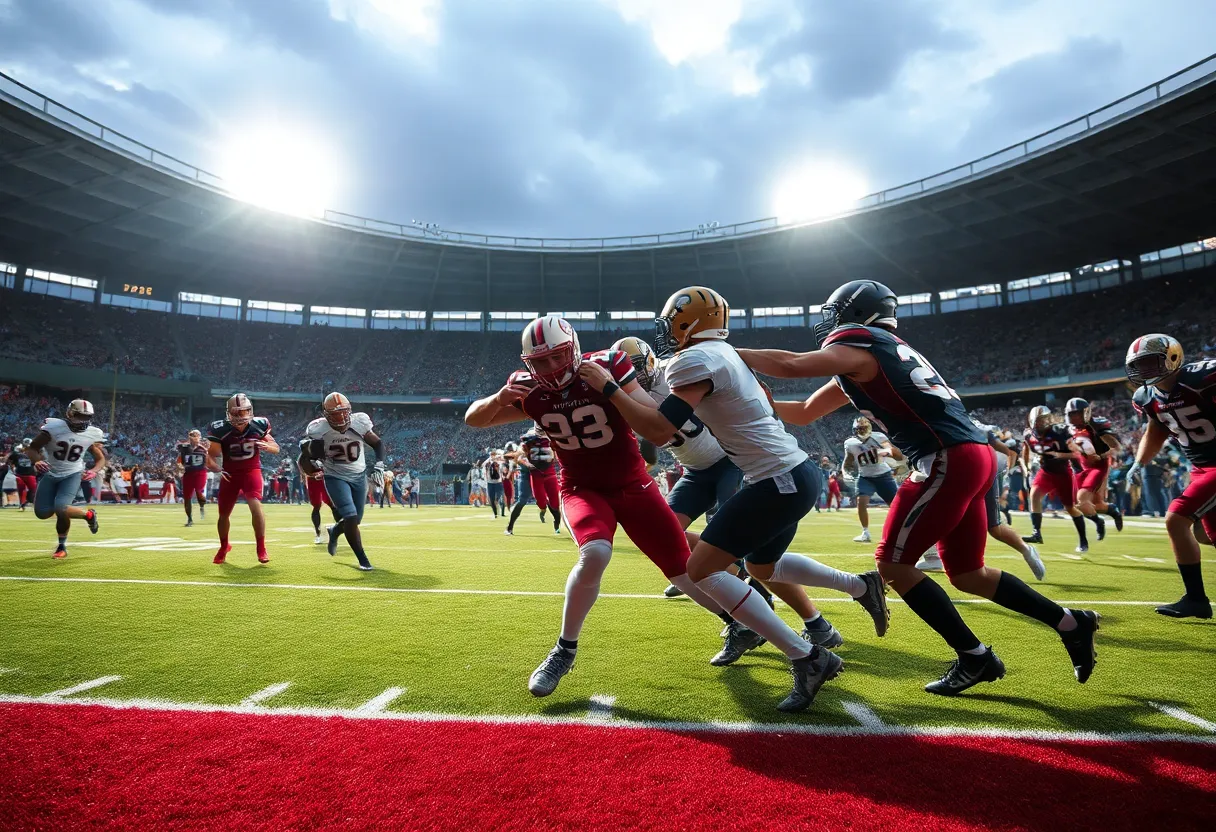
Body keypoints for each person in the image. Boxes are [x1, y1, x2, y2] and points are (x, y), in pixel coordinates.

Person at [739, 279, 1100, 695]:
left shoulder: (864, 342)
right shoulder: (877, 356)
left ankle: (974, 657)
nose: (831, 324)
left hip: (945, 456)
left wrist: (730, 355)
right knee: (968, 574)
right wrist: (756, 403)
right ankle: (1071, 622)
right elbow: (803, 413)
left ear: (857, 314)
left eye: (836, 315)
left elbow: (789, 365)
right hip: (970, 455)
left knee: (892, 564)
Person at [583, 292, 890, 711]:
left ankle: (807, 655)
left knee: (702, 568)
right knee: (761, 567)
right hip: (789, 472)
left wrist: (610, 388)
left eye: (672, 320)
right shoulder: (718, 352)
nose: (667, 329)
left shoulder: (692, 362)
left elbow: (658, 429)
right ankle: (858, 586)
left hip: (774, 477)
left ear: (688, 322)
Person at [465, 315, 754, 702]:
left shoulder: (608, 366)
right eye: (541, 361)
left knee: (685, 570)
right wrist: (501, 397)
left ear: (574, 349)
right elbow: (475, 420)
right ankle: (564, 651)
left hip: (634, 484)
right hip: (582, 488)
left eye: (557, 357)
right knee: (596, 552)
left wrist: (613, 388)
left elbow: (656, 417)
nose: (550, 369)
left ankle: (739, 623)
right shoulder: (529, 389)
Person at [1126, 334, 1215, 619]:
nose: (1147, 370)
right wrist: (1138, 463)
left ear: (1173, 357)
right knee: (1207, 536)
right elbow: (1157, 430)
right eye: (1141, 365)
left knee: (1176, 518)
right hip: (1200, 467)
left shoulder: (1204, 379)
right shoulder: (1146, 397)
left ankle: (1196, 599)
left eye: (1152, 362)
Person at [923, 418, 1047, 581]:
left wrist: (1004, 475)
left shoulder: (961, 423)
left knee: (993, 527)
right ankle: (933, 556)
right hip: (965, 471)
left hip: (979, 471)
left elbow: (1005, 451)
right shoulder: (947, 419)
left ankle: (1027, 551)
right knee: (939, 511)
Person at [303, 392, 383, 571]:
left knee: (356, 520)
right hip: (335, 476)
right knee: (350, 516)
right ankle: (363, 559)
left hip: (358, 476)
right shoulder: (318, 429)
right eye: (335, 414)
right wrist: (313, 465)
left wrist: (379, 465)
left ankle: (335, 530)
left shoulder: (359, 422)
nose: (340, 418)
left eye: (343, 413)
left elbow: (377, 443)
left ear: (349, 411)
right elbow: (307, 454)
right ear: (326, 415)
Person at [23, 399, 103, 558]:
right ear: (70, 414)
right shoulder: (53, 428)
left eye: (86, 417)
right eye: (79, 416)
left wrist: (94, 470)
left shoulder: (91, 434)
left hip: (72, 474)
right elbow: (32, 448)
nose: (82, 420)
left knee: (61, 508)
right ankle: (88, 515)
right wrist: (37, 461)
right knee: (42, 512)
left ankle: (61, 547)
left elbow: (100, 458)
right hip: (52, 473)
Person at [206, 393, 278, 565]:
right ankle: (224, 546)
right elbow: (211, 456)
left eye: (244, 412)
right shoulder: (219, 429)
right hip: (230, 473)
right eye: (236, 413)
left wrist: (267, 446)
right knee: (223, 514)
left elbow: (276, 447)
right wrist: (216, 468)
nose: (240, 416)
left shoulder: (259, 425)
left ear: (250, 411)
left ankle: (261, 547)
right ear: (229, 413)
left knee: (255, 505)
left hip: (251, 471)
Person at [1021, 405, 1099, 552]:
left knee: (1070, 508)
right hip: (1046, 471)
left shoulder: (1060, 431)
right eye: (1039, 420)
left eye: (1044, 419)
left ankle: (1083, 540)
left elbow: (1077, 454)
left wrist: (1060, 455)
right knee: (1034, 495)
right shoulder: (1028, 435)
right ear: (1033, 420)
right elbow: (1025, 450)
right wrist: (1027, 467)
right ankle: (1036, 533)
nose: (1042, 423)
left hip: (1063, 471)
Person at [1065, 397, 1125, 533]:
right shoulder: (1069, 430)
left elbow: (1117, 448)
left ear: (1086, 413)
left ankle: (1100, 523)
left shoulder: (1097, 426)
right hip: (1082, 468)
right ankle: (1113, 511)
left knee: (1082, 502)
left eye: (1078, 413)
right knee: (1095, 504)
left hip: (1099, 465)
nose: (1075, 418)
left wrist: (1101, 456)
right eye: (1072, 414)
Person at [841, 416, 903, 543]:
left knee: (896, 505)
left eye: (864, 428)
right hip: (865, 476)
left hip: (883, 475)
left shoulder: (879, 437)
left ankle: (900, 531)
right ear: (854, 430)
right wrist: (846, 472)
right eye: (859, 428)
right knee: (861, 502)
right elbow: (848, 461)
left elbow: (897, 455)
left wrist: (886, 450)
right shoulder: (850, 443)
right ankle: (865, 532)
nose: (862, 431)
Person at [505, 427, 563, 536]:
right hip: (526, 473)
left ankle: (554, 522)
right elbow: (519, 457)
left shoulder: (547, 442)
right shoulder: (526, 443)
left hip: (540, 472)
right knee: (522, 500)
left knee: (551, 500)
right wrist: (528, 464)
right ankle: (510, 527)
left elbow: (553, 456)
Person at [178, 430, 208, 526]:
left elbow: (208, 461)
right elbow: (178, 461)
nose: (194, 437)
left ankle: (202, 506)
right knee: (187, 497)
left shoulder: (203, 449)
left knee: (199, 491)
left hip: (200, 472)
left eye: (196, 436)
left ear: (199, 437)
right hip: (188, 473)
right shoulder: (184, 448)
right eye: (192, 435)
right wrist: (180, 467)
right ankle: (190, 519)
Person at [6, 439, 38, 511]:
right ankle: (22, 505)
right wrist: (12, 468)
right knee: (21, 490)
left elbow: (38, 461)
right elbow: (9, 460)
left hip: (30, 474)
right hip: (20, 474)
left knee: (34, 490)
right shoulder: (17, 452)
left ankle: (27, 502)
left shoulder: (33, 453)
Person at [483, 451, 505, 517]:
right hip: (490, 483)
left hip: (499, 482)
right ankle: (495, 514)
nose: (492, 456)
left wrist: (499, 458)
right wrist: (489, 461)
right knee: (491, 500)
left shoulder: (499, 461)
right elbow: (483, 466)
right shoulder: (488, 462)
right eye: (491, 455)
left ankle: (502, 511)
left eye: (493, 455)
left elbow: (503, 464)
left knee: (498, 498)